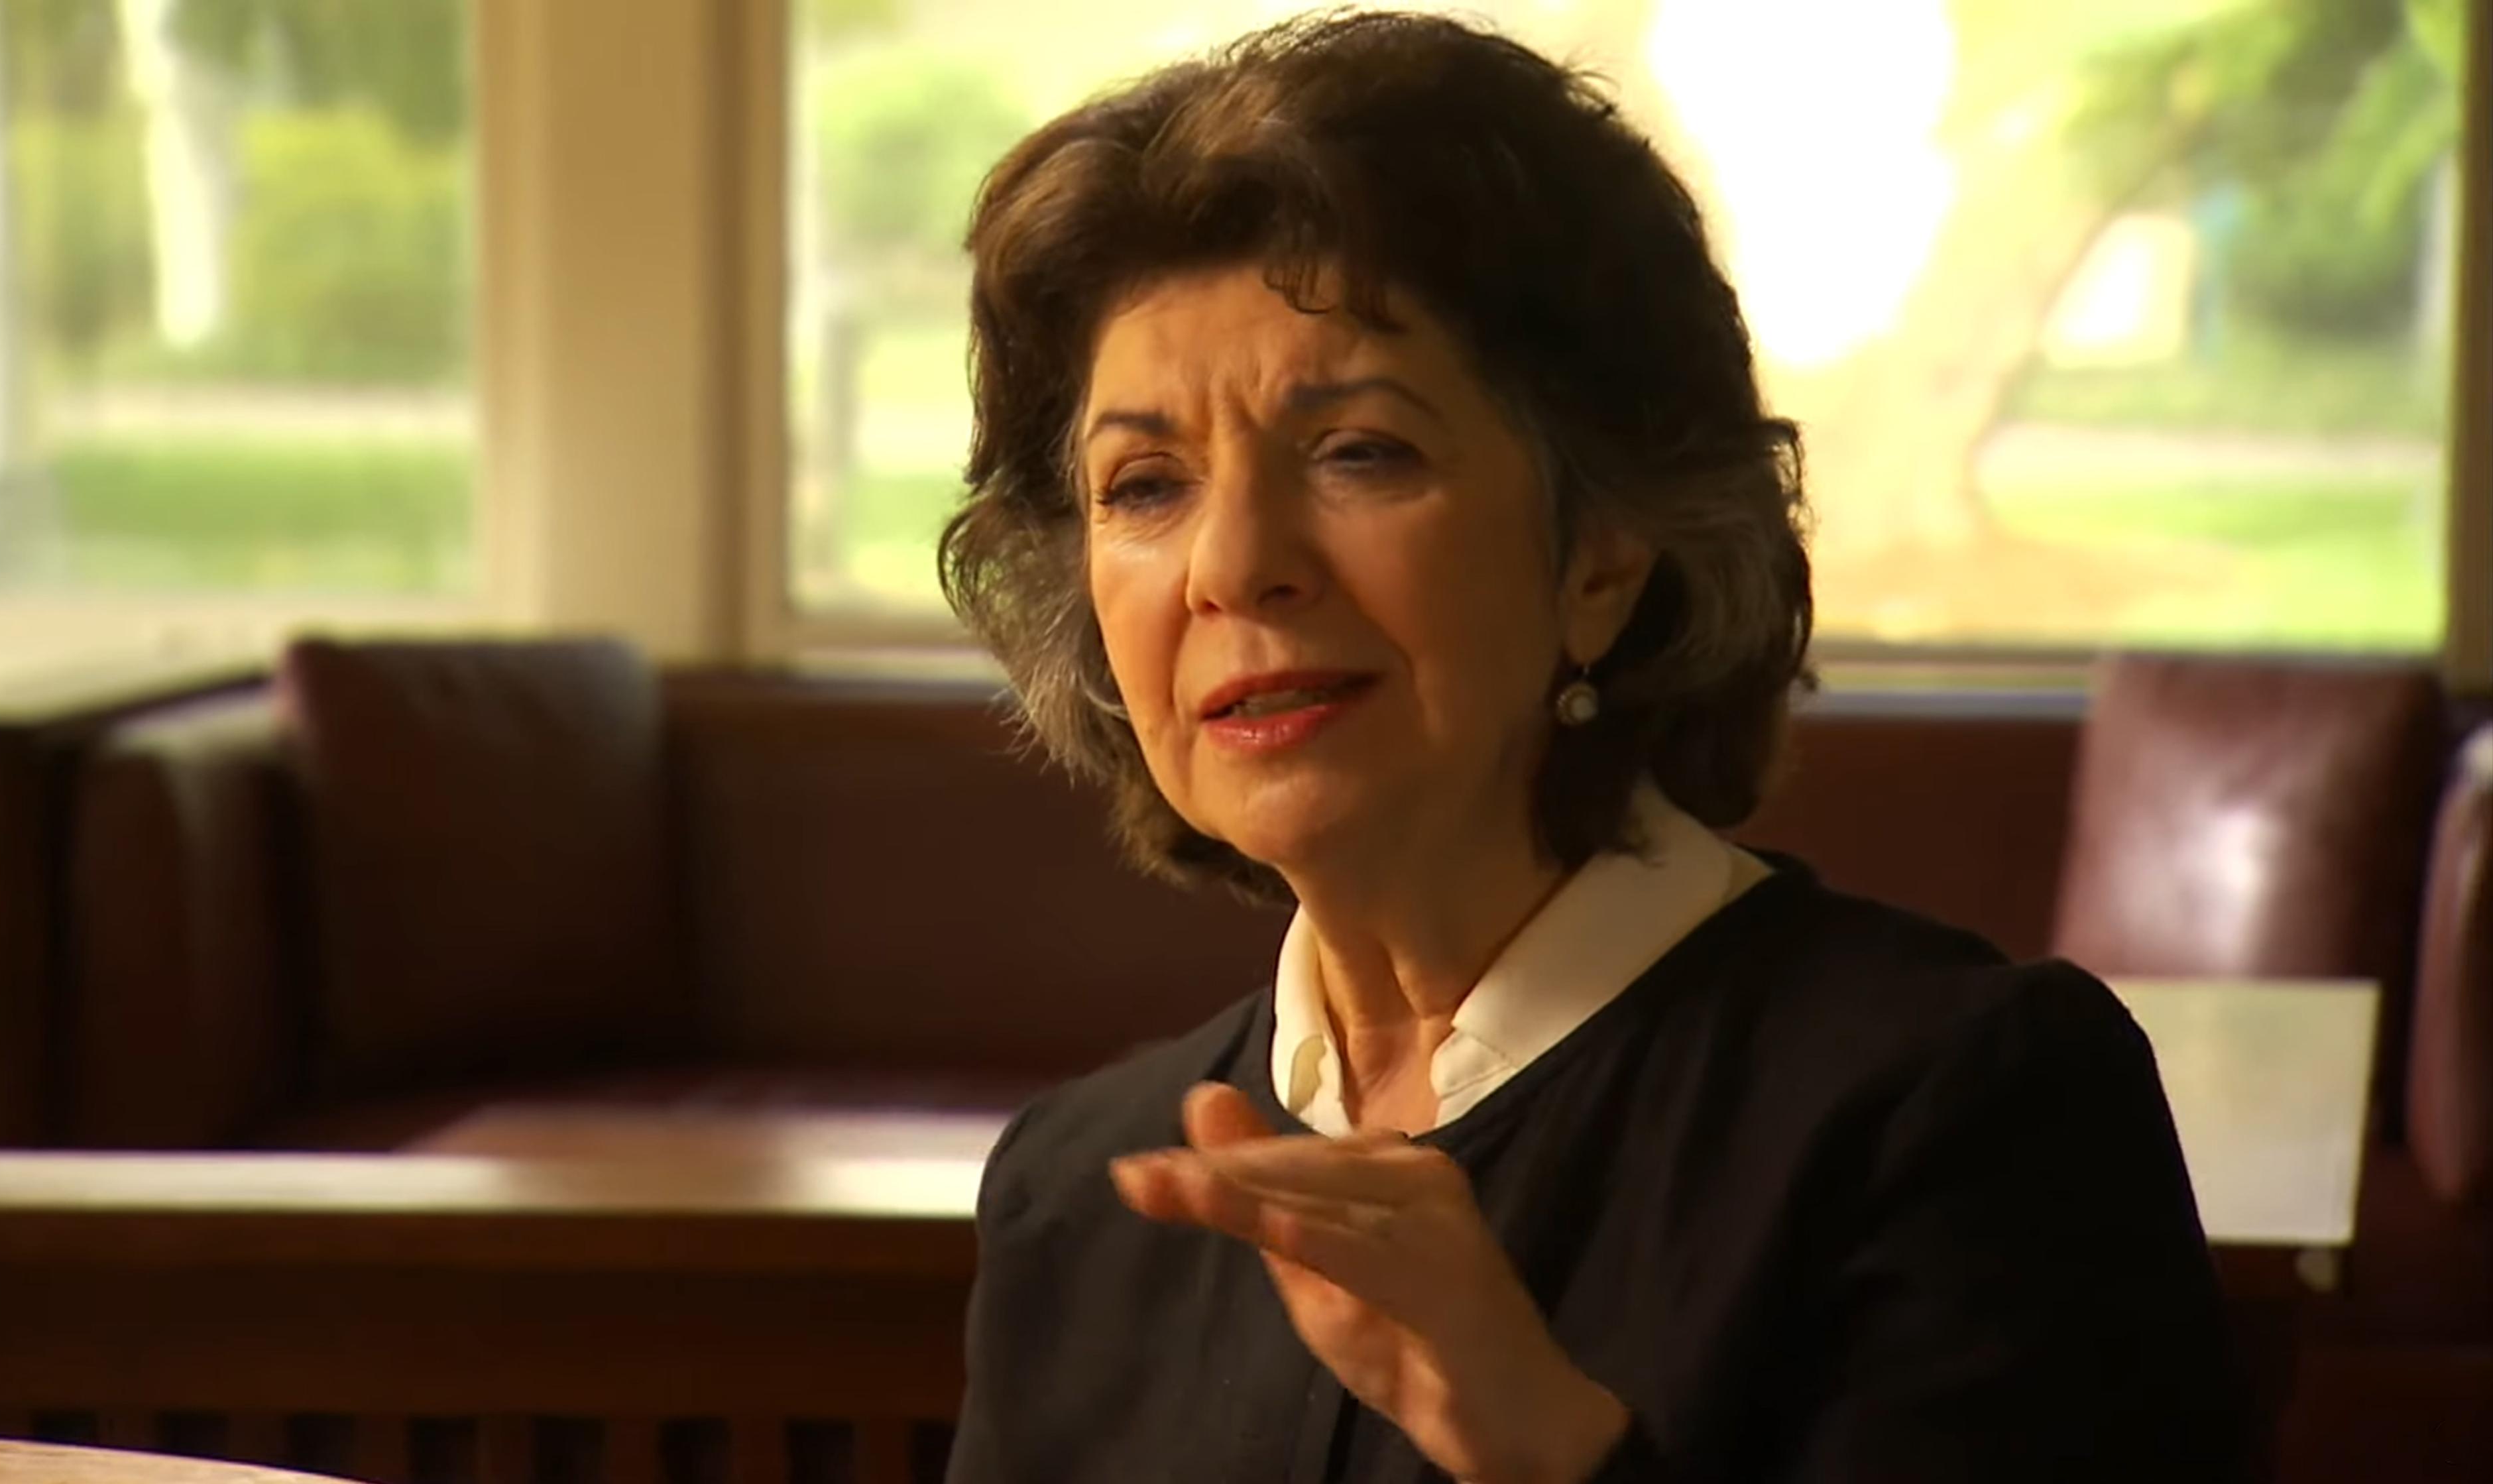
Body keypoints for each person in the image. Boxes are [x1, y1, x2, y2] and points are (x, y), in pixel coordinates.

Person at [935, 11, 2244, 1481]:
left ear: (1607, 551)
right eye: (1144, 485)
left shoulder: (1964, 1112)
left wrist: (1548, 1449)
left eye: (1361, 450)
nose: (1234, 567)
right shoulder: (1078, 1192)